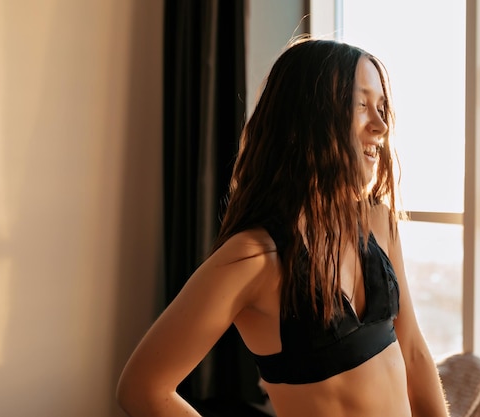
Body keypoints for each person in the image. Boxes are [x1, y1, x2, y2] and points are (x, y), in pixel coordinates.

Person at [116, 36, 449, 417]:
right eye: (361, 105)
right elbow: (142, 388)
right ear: (309, 116)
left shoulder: (377, 222)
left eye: (381, 107)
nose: (380, 125)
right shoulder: (254, 257)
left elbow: (414, 353)